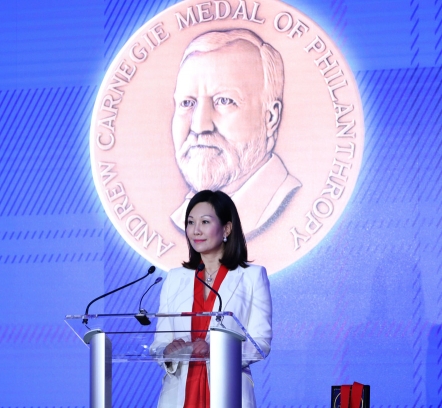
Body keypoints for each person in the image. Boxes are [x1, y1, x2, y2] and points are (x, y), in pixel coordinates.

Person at [170, 29, 301, 239]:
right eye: (187, 103)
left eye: (224, 101)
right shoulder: (180, 219)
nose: (199, 126)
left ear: (270, 118)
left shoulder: (292, 204)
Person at [152, 190, 272, 408]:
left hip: (228, 393)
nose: (195, 230)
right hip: (179, 396)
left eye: (205, 222)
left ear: (226, 228)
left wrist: (216, 351)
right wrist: (168, 352)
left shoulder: (252, 277)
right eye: (190, 222)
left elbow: (260, 343)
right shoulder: (175, 278)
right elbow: (159, 344)